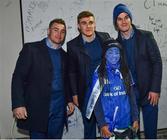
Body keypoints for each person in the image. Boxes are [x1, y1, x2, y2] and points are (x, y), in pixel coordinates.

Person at [11, 18, 74, 139]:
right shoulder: (31, 49)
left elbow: (65, 81)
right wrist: (18, 104)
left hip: (59, 110)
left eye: (63, 31)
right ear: (48, 31)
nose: (59, 34)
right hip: (38, 109)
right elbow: (18, 77)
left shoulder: (65, 55)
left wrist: (69, 100)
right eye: (56, 30)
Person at [113, 3, 163, 139]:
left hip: (149, 93)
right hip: (129, 97)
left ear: (131, 19)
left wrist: (155, 89)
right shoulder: (115, 45)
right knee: (133, 134)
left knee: (151, 133)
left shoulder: (146, 36)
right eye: (119, 18)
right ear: (116, 23)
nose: (124, 21)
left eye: (126, 17)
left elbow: (157, 62)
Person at [67, 11, 110, 139]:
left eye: (91, 22)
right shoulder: (72, 45)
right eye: (84, 23)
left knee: (108, 125)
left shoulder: (105, 38)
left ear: (95, 24)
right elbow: (72, 72)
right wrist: (74, 94)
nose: (88, 26)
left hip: (106, 90)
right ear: (78, 26)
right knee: (89, 127)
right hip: (86, 94)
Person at [86, 38, 139, 139]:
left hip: (126, 123)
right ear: (105, 54)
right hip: (108, 126)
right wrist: (102, 124)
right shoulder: (99, 73)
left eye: (117, 52)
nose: (114, 56)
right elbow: (96, 103)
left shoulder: (125, 71)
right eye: (110, 52)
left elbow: (132, 97)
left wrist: (135, 118)